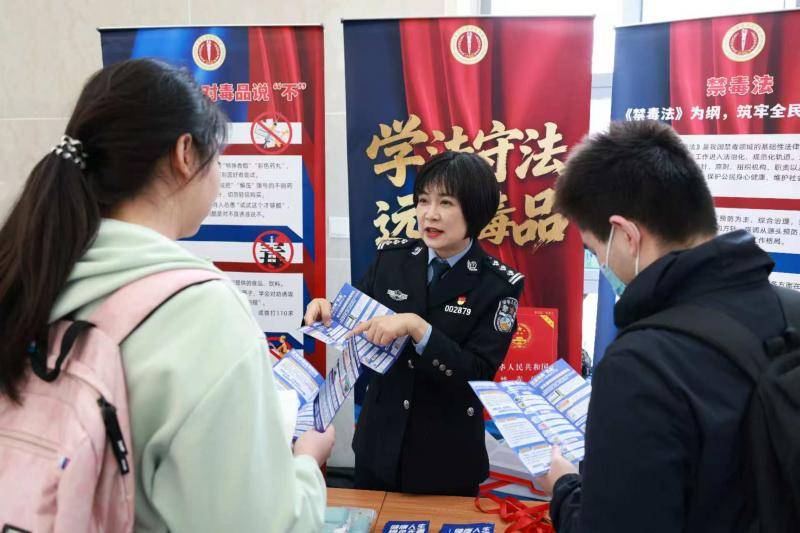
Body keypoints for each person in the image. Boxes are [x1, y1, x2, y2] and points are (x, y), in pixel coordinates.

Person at [0, 58, 333, 532]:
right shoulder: (199, 311)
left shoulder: (25, 272)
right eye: (218, 158)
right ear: (184, 154)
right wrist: (305, 465)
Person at [539, 120, 787, 532]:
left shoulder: (642, 363)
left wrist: (565, 489)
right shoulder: (789, 310)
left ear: (624, 235)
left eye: (593, 250)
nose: (600, 265)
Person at [304, 151, 525, 496]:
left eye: (446, 203)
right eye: (423, 200)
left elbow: (479, 374)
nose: (430, 214)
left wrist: (418, 328)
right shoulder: (392, 258)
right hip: (377, 447)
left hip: (445, 458)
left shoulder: (498, 284)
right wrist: (326, 308)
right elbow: (354, 312)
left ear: (475, 211)